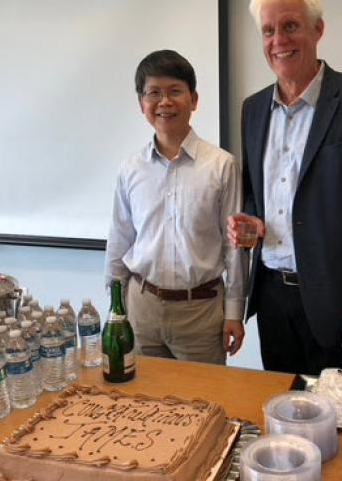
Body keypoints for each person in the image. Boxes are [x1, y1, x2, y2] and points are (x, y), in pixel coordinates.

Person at [228, 0, 342, 378]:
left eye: (290, 26)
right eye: (268, 30)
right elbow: (256, 197)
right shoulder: (252, 109)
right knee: (285, 417)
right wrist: (251, 222)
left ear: (317, 29)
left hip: (339, 304)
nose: (278, 40)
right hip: (272, 298)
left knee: (341, 429)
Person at [106, 49, 247, 365]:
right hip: (141, 306)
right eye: (153, 93)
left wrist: (235, 311)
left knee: (203, 405)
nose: (164, 102)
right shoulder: (131, 169)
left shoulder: (222, 166)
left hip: (201, 312)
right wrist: (116, 307)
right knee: (144, 405)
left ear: (193, 100)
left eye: (174, 92)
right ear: (142, 103)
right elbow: (119, 241)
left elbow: (234, 247)